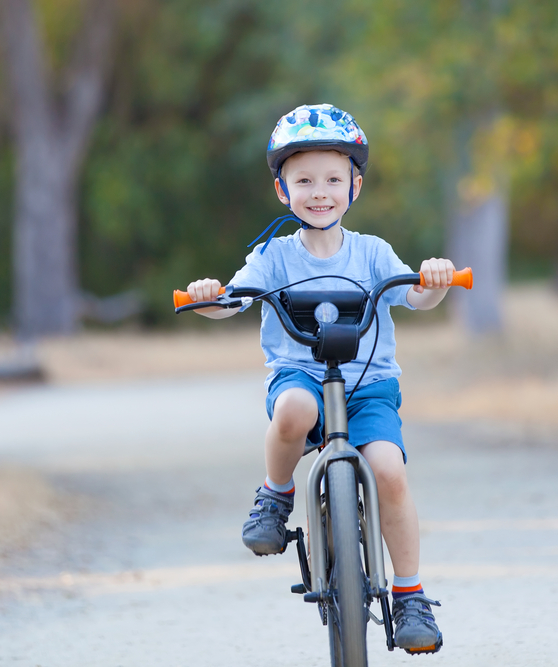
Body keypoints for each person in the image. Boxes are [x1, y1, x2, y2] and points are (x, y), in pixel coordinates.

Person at [185, 103, 455, 653]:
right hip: (300, 377)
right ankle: (275, 496)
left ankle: (409, 595)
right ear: (283, 191)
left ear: (354, 186)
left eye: (333, 179)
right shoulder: (274, 257)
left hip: (368, 389)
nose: (319, 191)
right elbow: (232, 303)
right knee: (293, 412)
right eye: (303, 180)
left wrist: (437, 280)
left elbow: (418, 297)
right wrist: (208, 297)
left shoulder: (373, 252)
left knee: (388, 471)